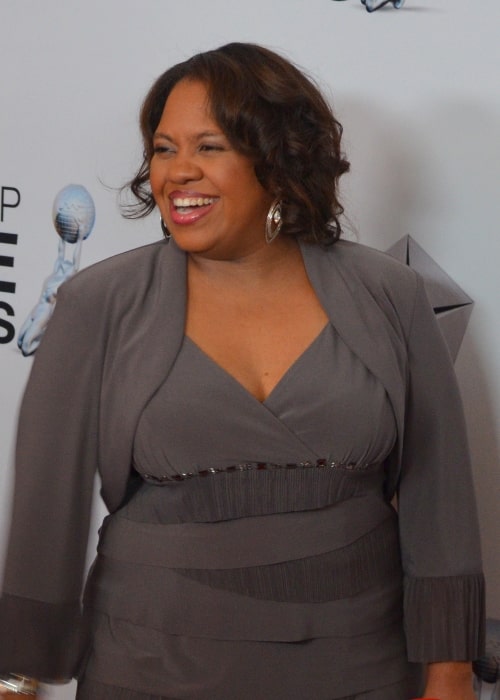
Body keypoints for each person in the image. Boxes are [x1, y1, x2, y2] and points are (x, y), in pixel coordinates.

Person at [0, 42, 484, 700]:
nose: (176, 173)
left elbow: (439, 491)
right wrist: (19, 677)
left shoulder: (389, 294)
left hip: (359, 666)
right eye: (164, 148)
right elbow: (44, 507)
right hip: (147, 665)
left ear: (278, 160)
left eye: (209, 147)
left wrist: (450, 668)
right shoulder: (99, 303)